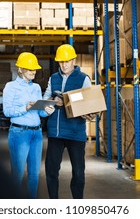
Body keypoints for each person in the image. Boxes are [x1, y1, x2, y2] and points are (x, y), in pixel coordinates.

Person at [43, 44, 95, 199]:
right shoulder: (53, 78)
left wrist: (67, 103)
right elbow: (46, 99)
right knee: (51, 171)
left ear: (73, 60)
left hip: (75, 133)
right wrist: (52, 101)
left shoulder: (83, 79)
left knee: (78, 173)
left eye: (66, 61)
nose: (63, 65)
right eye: (60, 62)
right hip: (56, 132)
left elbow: (89, 104)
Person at [3, 52, 55, 199]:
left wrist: (47, 111)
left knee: (34, 174)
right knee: (18, 174)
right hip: (19, 133)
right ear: (20, 69)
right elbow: (7, 112)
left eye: (34, 69)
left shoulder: (37, 87)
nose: (33, 71)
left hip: (36, 134)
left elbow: (39, 113)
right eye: (29, 69)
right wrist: (24, 108)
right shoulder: (11, 87)